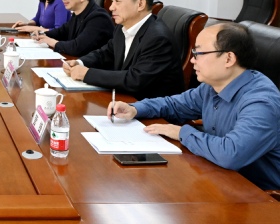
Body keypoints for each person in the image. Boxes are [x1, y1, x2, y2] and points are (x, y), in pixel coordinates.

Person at [109, 23, 280, 190]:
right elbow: (174, 105)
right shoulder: (212, 87)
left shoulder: (261, 102)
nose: (192, 60)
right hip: (220, 177)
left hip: (261, 194)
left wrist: (181, 133)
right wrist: (135, 108)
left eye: (199, 53)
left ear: (228, 59)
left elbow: (231, 153)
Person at [63, 0, 183, 99]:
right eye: (112, 1)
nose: (111, 7)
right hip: (124, 99)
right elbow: (106, 53)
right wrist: (80, 62)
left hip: (150, 107)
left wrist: (87, 74)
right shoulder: (122, 27)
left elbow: (135, 79)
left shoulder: (158, 39)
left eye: (117, 1)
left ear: (140, 4)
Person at [35, 0, 113, 56]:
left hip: (90, 63)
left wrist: (52, 42)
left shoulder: (99, 18)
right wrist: (43, 34)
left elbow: (77, 47)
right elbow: (62, 31)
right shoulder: (77, 13)